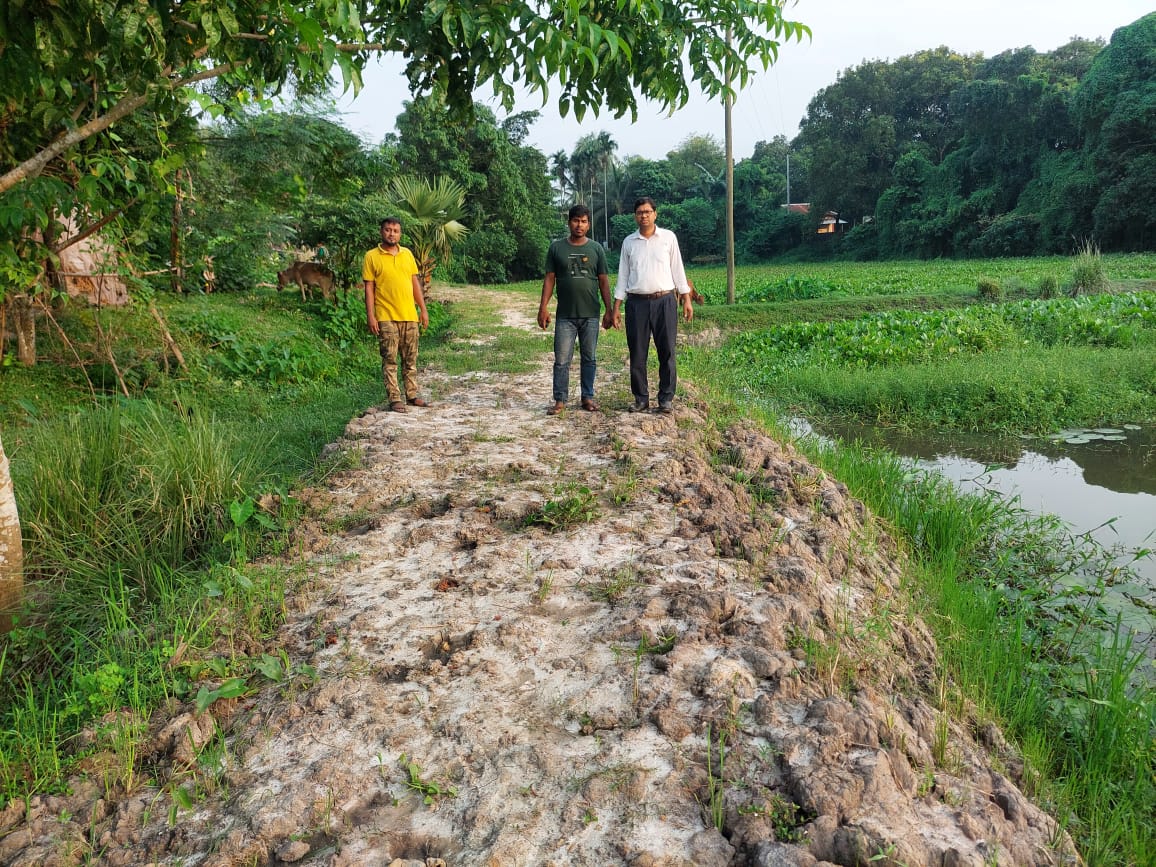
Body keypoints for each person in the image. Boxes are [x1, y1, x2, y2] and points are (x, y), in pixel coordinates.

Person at [611, 197, 694, 414]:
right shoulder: (629, 242)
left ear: (655, 214)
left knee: (667, 351)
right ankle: (641, 398)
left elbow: (678, 269)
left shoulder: (668, 238)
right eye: (640, 212)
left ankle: (666, 399)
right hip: (636, 303)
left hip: (665, 301)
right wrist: (616, 307)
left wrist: (685, 299)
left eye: (648, 211)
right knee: (637, 352)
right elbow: (623, 275)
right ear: (635, 216)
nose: (644, 215)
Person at [538, 204, 615, 415]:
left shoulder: (596, 249)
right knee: (562, 360)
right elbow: (550, 278)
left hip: (590, 314)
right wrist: (543, 307)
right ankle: (560, 400)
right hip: (565, 316)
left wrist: (609, 310)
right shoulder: (556, 248)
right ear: (569, 222)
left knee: (589, 358)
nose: (579, 225)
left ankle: (587, 397)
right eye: (575, 220)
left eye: (583, 221)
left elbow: (604, 281)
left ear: (588, 225)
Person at [363, 217, 430, 413]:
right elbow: (369, 289)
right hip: (386, 316)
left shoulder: (407, 254)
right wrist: (371, 316)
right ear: (381, 232)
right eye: (388, 230)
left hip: (409, 315)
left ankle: (412, 395)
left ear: (400, 234)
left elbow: (414, 283)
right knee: (390, 358)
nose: (391, 233)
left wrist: (423, 310)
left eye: (395, 230)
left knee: (410, 358)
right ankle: (394, 398)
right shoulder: (371, 256)